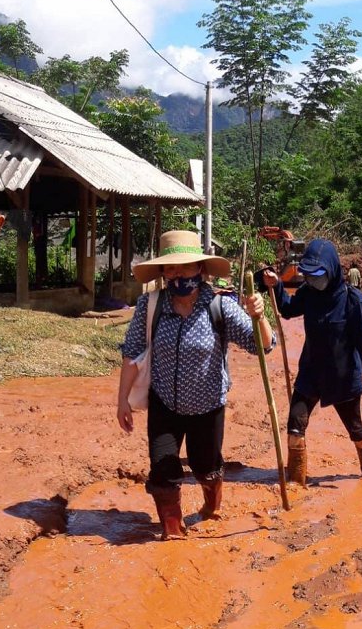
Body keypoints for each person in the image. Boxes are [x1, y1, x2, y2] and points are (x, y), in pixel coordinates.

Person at [117, 230, 274, 540]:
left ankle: (211, 500)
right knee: (163, 468)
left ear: (200, 269)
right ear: (162, 273)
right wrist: (122, 401)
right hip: (164, 404)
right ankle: (172, 531)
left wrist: (260, 316)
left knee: (205, 467)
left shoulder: (221, 307)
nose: (178, 275)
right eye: (170, 269)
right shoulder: (151, 306)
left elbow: (263, 346)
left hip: (208, 407)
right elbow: (132, 354)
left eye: (185, 267)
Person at [260, 238, 362, 486]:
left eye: (318, 274)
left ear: (332, 269)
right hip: (311, 372)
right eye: (308, 274)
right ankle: (297, 479)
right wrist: (276, 286)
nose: (313, 280)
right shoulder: (308, 293)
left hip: (342, 376)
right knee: (295, 425)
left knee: (355, 429)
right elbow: (287, 309)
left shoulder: (353, 301)